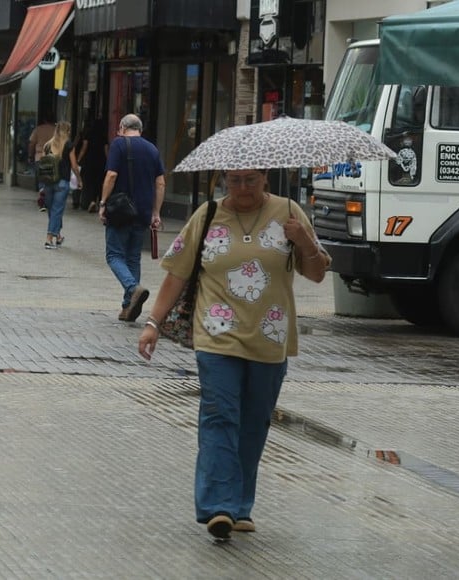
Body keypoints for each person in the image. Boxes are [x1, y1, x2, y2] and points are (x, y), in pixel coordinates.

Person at [137, 168, 331, 540]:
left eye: (250, 180)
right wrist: (153, 324)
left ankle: (240, 505)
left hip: (270, 338)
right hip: (216, 337)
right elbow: (176, 274)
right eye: (235, 180)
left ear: (265, 181)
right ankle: (218, 506)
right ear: (224, 180)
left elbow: (318, 274)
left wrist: (304, 240)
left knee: (254, 423)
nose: (242, 187)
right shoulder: (207, 215)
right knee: (220, 415)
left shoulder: (290, 212)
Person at [98, 113, 164, 322]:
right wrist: (156, 212)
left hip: (120, 210)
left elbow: (111, 175)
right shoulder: (152, 149)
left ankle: (132, 288)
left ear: (121, 128)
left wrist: (102, 203)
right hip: (143, 212)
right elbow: (160, 183)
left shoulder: (119, 144)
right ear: (140, 130)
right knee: (133, 257)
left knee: (114, 256)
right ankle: (128, 307)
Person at [41, 121, 81, 249]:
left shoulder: (47, 145)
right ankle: (49, 239)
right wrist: (79, 179)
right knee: (57, 210)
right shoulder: (69, 145)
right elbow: (74, 166)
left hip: (48, 181)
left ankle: (57, 235)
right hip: (62, 182)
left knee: (52, 210)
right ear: (67, 131)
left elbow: (43, 164)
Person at [80, 119, 109, 212]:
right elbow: (106, 151)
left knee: (90, 182)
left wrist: (78, 159)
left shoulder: (88, 134)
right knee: (99, 182)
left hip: (89, 161)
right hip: (101, 162)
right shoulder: (104, 136)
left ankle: (90, 200)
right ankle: (98, 202)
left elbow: (84, 148)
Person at [28, 114, 56, 211]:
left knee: (41, 180)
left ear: (44, 119)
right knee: (50, 180)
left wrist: (30, 155)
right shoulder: (56, 130)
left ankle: (42, 199)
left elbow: (32, 143)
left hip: (39, 157)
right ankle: (49, 200)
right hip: (53, 157)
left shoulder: (38, 129)